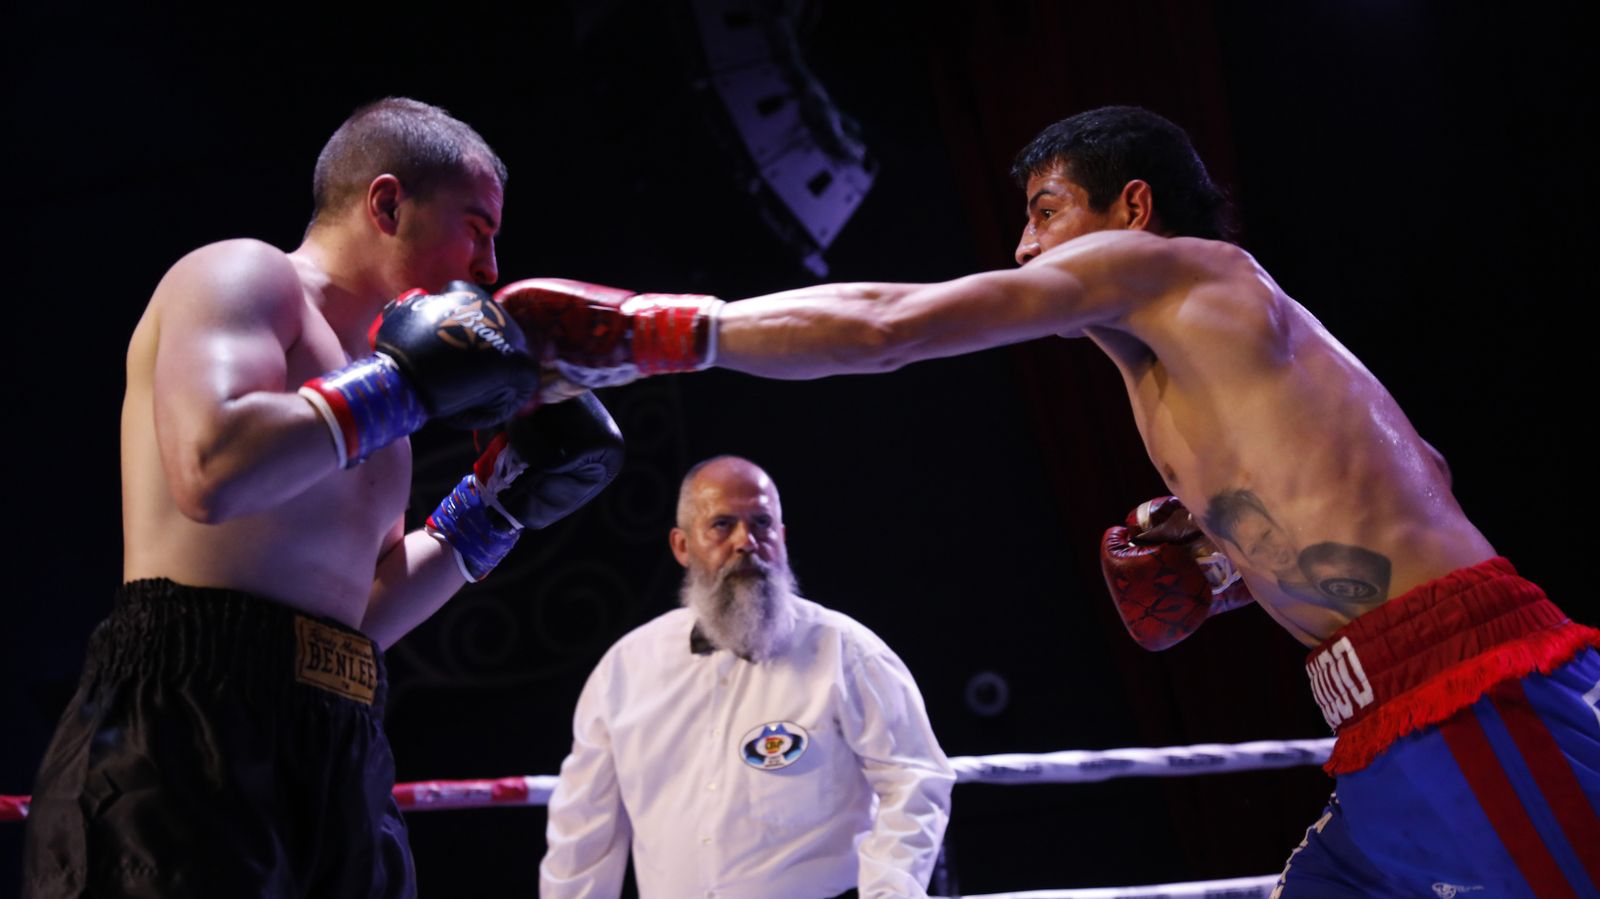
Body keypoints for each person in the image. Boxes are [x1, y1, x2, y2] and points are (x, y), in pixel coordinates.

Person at [496, 106, 1599, 896]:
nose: (1023, 249)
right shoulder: (1195, 356)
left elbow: (890, 322)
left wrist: (663, 333)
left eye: (1045, 211)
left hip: (1469, 698)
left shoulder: (1177, 270)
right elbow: (1421, 471)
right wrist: (1218, 571)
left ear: (1129, 206)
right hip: (1388, 722)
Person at [23, 97, 625, 899]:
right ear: (386, 202)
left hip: (340, 735)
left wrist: (495, 508)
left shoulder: (385, 404)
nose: (489, 267)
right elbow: (211, 467)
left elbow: (358, 619)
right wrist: (403, 383)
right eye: (477, 227)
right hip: (184, 722)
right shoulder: (243, 274)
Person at [540, 456, 954, 899]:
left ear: (783, 537)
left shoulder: (847, 652)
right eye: (721, 524)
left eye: (761, 523)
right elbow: (583, 832)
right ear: (682, 546)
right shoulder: (623, 671)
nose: (745, 541)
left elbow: (914, 781)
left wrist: (890, 893)